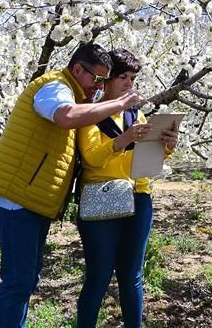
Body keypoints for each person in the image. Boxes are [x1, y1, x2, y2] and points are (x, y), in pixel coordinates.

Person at [0, 43, 146, 328]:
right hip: (17, 198)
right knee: (18, 282)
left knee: (26, 280)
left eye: (104, 82)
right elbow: (66, 117)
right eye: (97, 80)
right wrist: (118, 104)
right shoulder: (54, 88)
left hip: (32, 199)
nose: (98, 88)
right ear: (78, 69)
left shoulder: (74, 94)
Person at [75, 48, 179, 328]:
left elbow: (147, 161)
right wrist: (123, 139)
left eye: (133, 78)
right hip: (101, 196)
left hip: (138, 197)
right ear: (106, 79)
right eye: (123, 77)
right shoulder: (90, 114)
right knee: (99, 275)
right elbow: (92, 158)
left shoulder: (137, 116)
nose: (129, 84)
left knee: (132, 275)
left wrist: (166, 146)